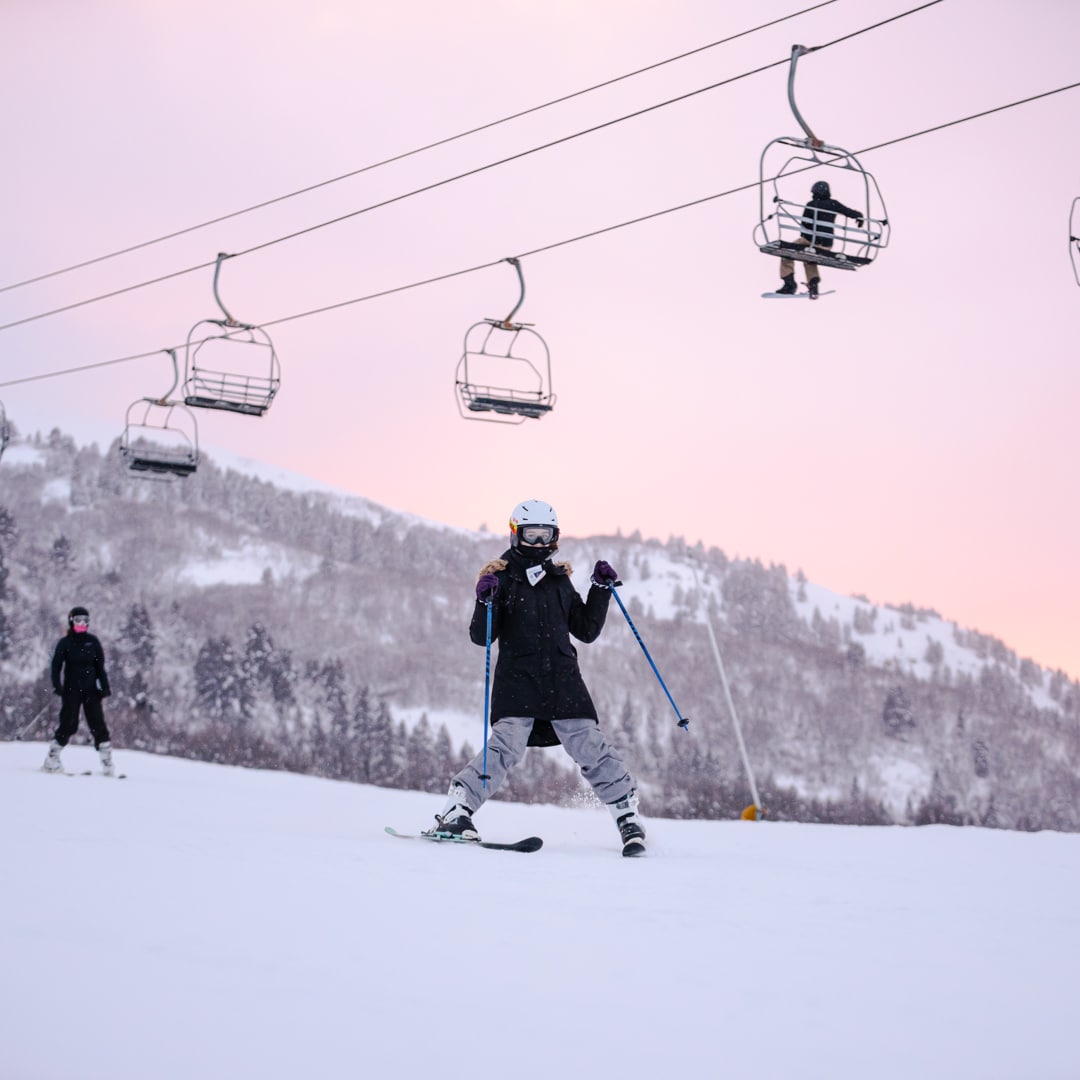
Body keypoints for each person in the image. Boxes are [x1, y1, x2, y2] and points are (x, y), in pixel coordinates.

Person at [433, 499, 647, 856]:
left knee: (589, 745)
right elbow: (482, 637)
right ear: (516, 534)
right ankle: (457, 810)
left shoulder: (558, 580)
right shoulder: (500, 578)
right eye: (530, 535)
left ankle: (627, 814)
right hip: (518, 681)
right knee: (505, 747)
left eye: (544, 535)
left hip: (563, 680)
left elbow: (586, 630)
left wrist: (599, 589)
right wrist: (484, 602)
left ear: (555, 537)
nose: (537, 542)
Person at [42, 606, 114, 776]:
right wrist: (57, 685)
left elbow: (100, 667)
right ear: (71, 621)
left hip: (91, 691)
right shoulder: (65, 643)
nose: (82, 624)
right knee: (69, 723)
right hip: (71, 690)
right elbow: (56, 666)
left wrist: (104, 687)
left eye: (85, 620)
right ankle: (52, 758)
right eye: (78, 620)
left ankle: (107, 762)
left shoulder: (93, 642)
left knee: (98, 724)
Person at [776, 179, 864, 298]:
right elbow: (848, 212)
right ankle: (813, 285)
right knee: (810, 258)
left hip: (811, 240)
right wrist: (859, 217)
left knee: (787, 252)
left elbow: (804, 226)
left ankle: (789, 285)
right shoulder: (834, 204)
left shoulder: (811, 204)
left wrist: (807, 235)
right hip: (827, 244)